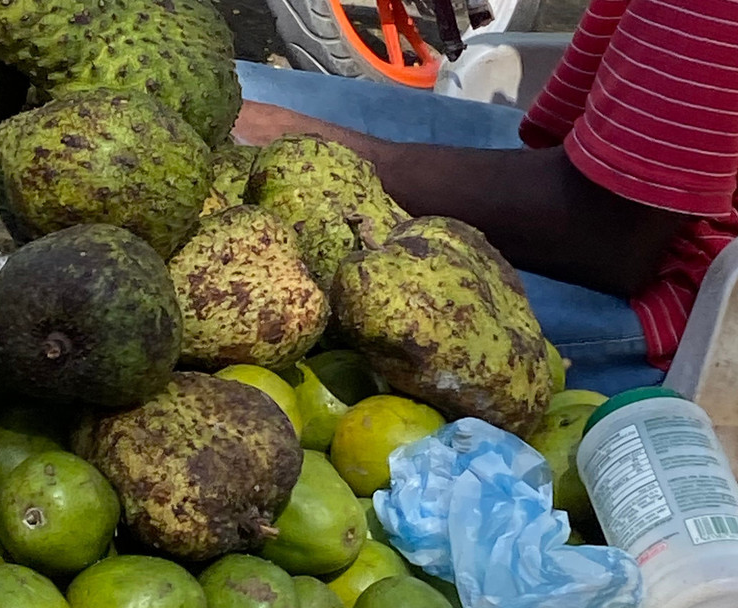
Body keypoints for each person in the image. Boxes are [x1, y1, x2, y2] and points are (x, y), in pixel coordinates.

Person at [231, 0, 738, 394]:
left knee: (254, 291)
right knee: (224, 86)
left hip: (679, 298)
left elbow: (609, 236)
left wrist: (316, 145)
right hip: (594, 166)